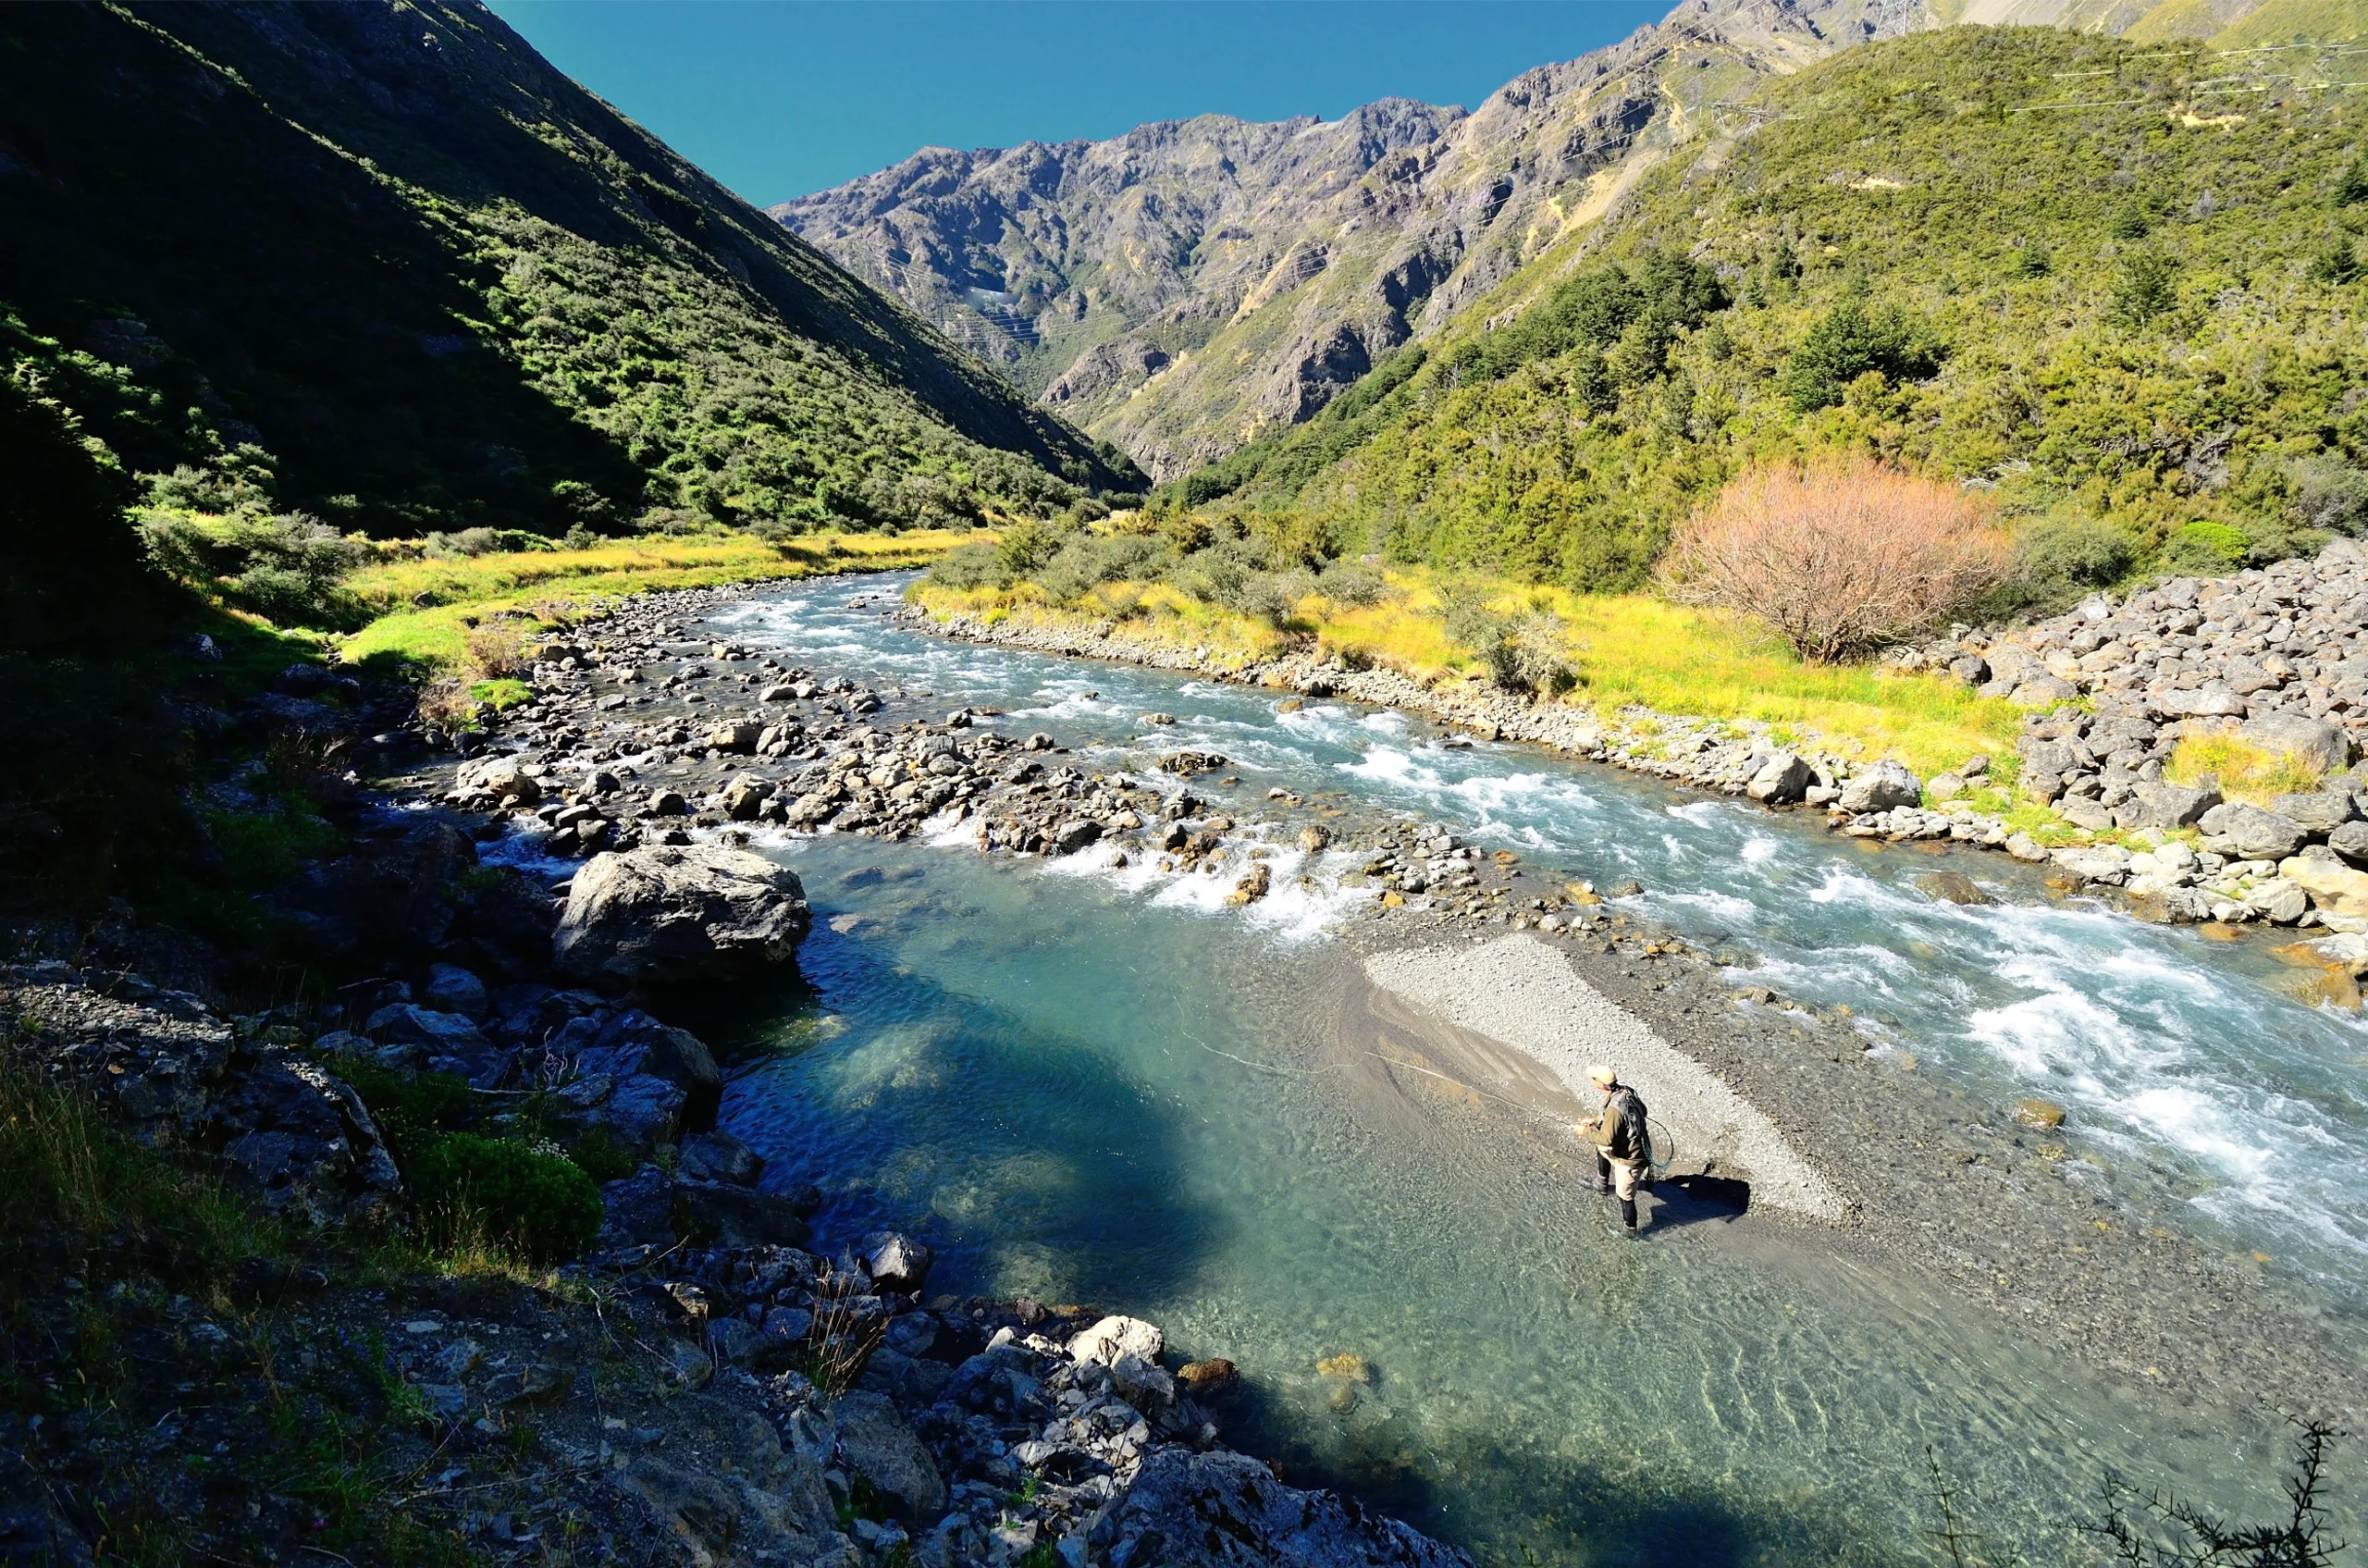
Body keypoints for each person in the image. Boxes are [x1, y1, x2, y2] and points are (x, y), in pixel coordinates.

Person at [1577, 1064, 1651, 1236]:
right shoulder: (1625, 1091)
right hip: (1627, 1148)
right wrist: (1595, 1121)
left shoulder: (1614, 1109)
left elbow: (1607, 1139)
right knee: (1600, 1148)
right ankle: (1601, 1184)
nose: (1592, 1081)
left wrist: (1585, 1132)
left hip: (1631, 1160)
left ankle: (1630, 1231)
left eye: (1594, 1079)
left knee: (1624, 1196)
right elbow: (1641, 1112)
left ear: (1600, 1084)